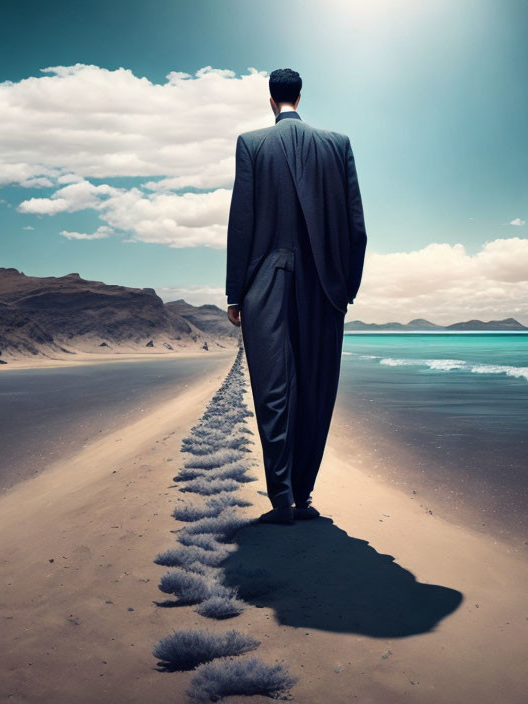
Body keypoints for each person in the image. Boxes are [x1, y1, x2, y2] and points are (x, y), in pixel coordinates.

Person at [225, 67, 367, 525]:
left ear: (271, 100)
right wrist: (346, 288)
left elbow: (241, 224)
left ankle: (282, 498)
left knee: (273, 390)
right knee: (316, 389)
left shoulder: (251, 144)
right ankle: (303, 496)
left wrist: (234, 293)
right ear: (299, 97)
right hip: (326, 287)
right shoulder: (338, 144)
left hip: (266, 281)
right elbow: (356, 228)